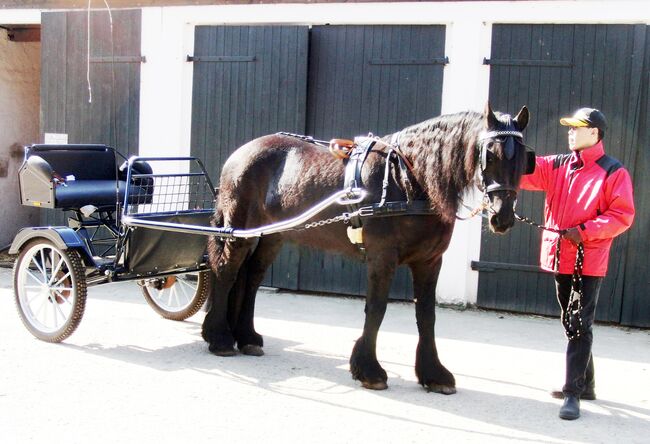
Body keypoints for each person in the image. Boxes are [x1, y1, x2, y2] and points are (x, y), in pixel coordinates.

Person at [519, 107, 635, 420]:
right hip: (560, 256)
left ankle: (573, 393)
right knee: (572, 324)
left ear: (595, 133)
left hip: (589, 260)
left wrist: (584, 232)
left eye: (577, 127)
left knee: (579, 325)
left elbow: (622, 216)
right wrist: (507, 147)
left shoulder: (614, 172)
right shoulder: (557, 164)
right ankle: (588, 384)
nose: (570, 131)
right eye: (569, 128)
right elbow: (524, 171)